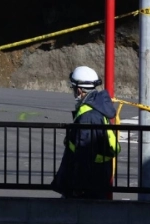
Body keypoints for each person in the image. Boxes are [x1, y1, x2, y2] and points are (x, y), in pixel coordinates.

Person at [51, 66, 120, 200]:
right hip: (97, 174)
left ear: (79, 90)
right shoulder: (97, 106)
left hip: (89, 180)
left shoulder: (88, 115)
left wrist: (78, 186)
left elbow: (85, 152)